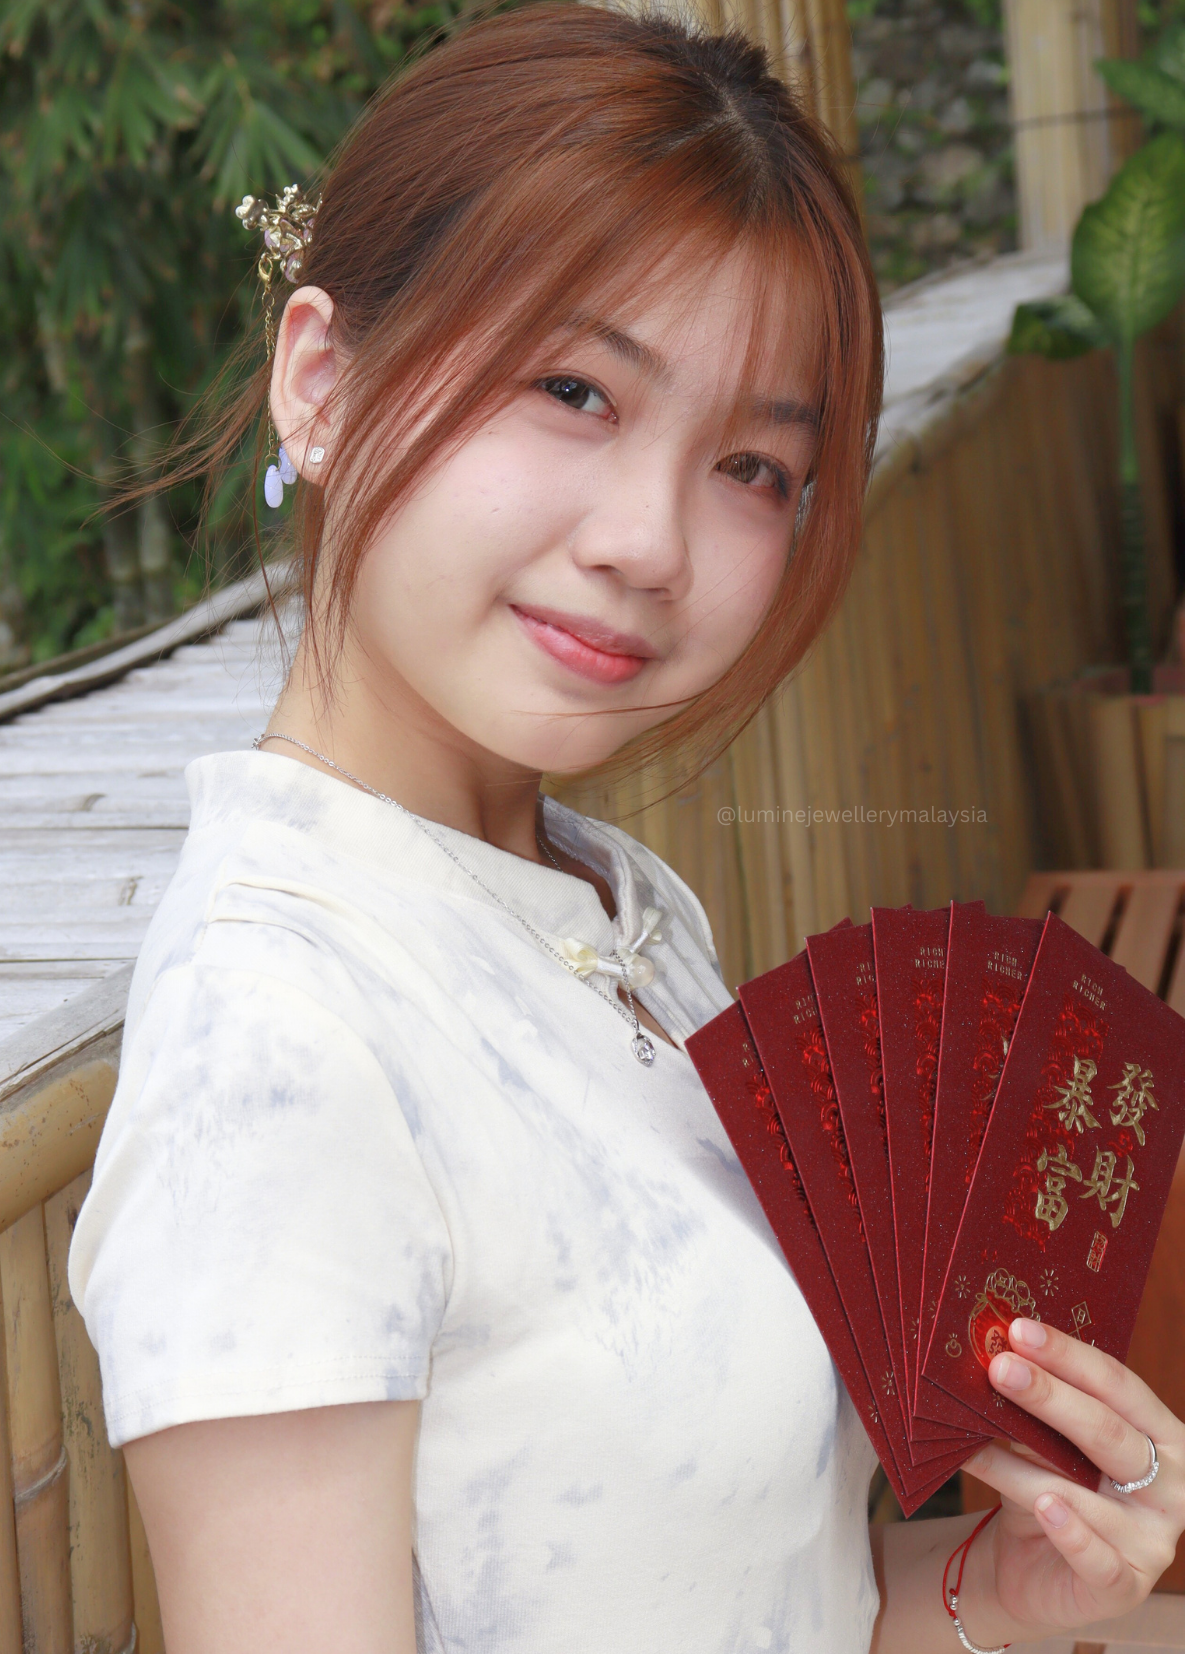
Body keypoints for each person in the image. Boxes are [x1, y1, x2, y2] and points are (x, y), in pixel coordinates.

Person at [66, 7, 1185, 1651]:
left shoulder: (613, 903)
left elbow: (742, 1597)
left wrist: (987, 1590)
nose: (651, 541)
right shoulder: (282, 1040)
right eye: (574, 388)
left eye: (753, 466)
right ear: (323, 383)